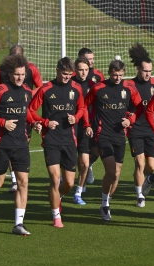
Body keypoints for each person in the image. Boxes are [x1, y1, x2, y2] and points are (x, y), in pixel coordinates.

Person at [0, 54, 41, 236]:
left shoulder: (28, 92)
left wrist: (34, 122)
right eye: (17, 74)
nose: (20, 77)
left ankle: (18, 224)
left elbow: (26, 112)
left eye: (23, 74)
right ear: (9, 74)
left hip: (21, 143)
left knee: (23, 182)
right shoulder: (0, 90)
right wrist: (2, 122)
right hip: (1, 143)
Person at [28, 57, 85, 228]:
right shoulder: (46, 89)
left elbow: (82, 108)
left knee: (68, 183)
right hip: (51, 139)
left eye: (69, 74)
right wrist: (44, 122)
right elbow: (30, 110)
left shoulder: (77, 88)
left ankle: (57, 196)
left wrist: (76, 117)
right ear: (57, 70)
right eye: (64, 74)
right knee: (54, 178)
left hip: (69, 139)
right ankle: (56, 215)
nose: (67, 77)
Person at [84, 60, 143, 221]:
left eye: (121, 75)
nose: (117, 78)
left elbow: (138, 107)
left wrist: (130, 119)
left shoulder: (129, 88)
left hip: (120, 136)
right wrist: (87, 124)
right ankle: (105, 204)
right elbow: (83, 105)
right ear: (109, 73)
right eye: (115, 75)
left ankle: (105, 204)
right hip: (103, 135)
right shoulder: (98, 88)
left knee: (116, 175)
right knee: (110, 171)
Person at [0, 44, 44, 193]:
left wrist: (25, 96)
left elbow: (40, 87)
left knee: (22, 143)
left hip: (24, 109)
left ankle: (19, 176)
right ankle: (14, 179)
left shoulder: (31, 68)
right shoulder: (0, 70)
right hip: (5, 111)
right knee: (9, 143)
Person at [127, 43, 154, 207]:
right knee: (140, 163)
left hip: (152, 130)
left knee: (152, 166)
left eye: (150, 71)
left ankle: (145, 180)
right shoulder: (129, 86)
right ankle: (140, 195)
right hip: (135, 130)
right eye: (145, 71)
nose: (148, 74)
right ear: (138, 70)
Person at [74, 48, 105, 185]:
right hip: (75, 121)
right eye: (88, 59)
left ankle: (87, 166)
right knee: (75, 151)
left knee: (96, 150)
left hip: (93, 120)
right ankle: (75, 176)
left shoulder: (97, 76)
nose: (91, 61)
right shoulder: (72, 79)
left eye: (92, 58)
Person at [71, 57, 95, 205]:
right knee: (69, 161)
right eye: (80, 69)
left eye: (86, 70)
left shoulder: (93, 85)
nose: (83, 72)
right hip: (69, 127)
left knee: (85, 163)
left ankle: (78, 192)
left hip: (86, 127)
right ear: (75, 70)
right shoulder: (70, 84)